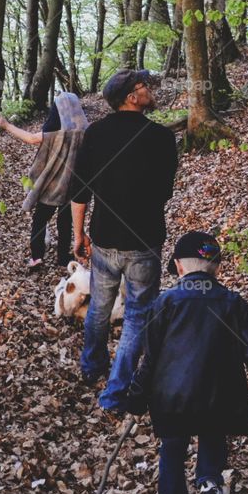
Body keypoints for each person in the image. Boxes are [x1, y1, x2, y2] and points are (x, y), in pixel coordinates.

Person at [125, 231, 248, 494]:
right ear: (217, 268)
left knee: (172, 449)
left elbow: (151, 358)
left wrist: (136, 396)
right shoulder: (232, 304)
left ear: (180, 267)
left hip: (171, 399)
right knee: (213, 429)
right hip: (219, 394)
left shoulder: (165, 303)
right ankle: (209, 480)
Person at [70, 68, 178, 413]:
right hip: (144, 240)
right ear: (132, 96)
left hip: (104, 238)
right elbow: (164, 192)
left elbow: (79, 189)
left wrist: (78, 233)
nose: (151, 91)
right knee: (136, 316)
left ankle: (92, 366)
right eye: (145, 87)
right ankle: (115, 393)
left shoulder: (96, 134)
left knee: (100, 306)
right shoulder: (161, 137)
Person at [0, 92, 88, 270]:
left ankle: (37, 257)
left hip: (52, 187)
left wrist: (6, 125)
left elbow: (30, 138)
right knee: (65, 222)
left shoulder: (55, 134)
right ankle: (62, 257)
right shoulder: (86, 133)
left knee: (39, 221)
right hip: (73, 188)